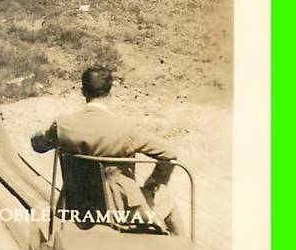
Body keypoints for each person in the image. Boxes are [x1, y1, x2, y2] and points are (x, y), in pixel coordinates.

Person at [31, 67, 185, 235]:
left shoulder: (63, 125)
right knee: (164, 196)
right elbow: (169, 153)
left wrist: (49, 134)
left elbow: (38, 145)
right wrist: (154, 182)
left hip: (75, 207)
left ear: (83, 91)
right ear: (110, 92)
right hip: (121, 210)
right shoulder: (125, 129)